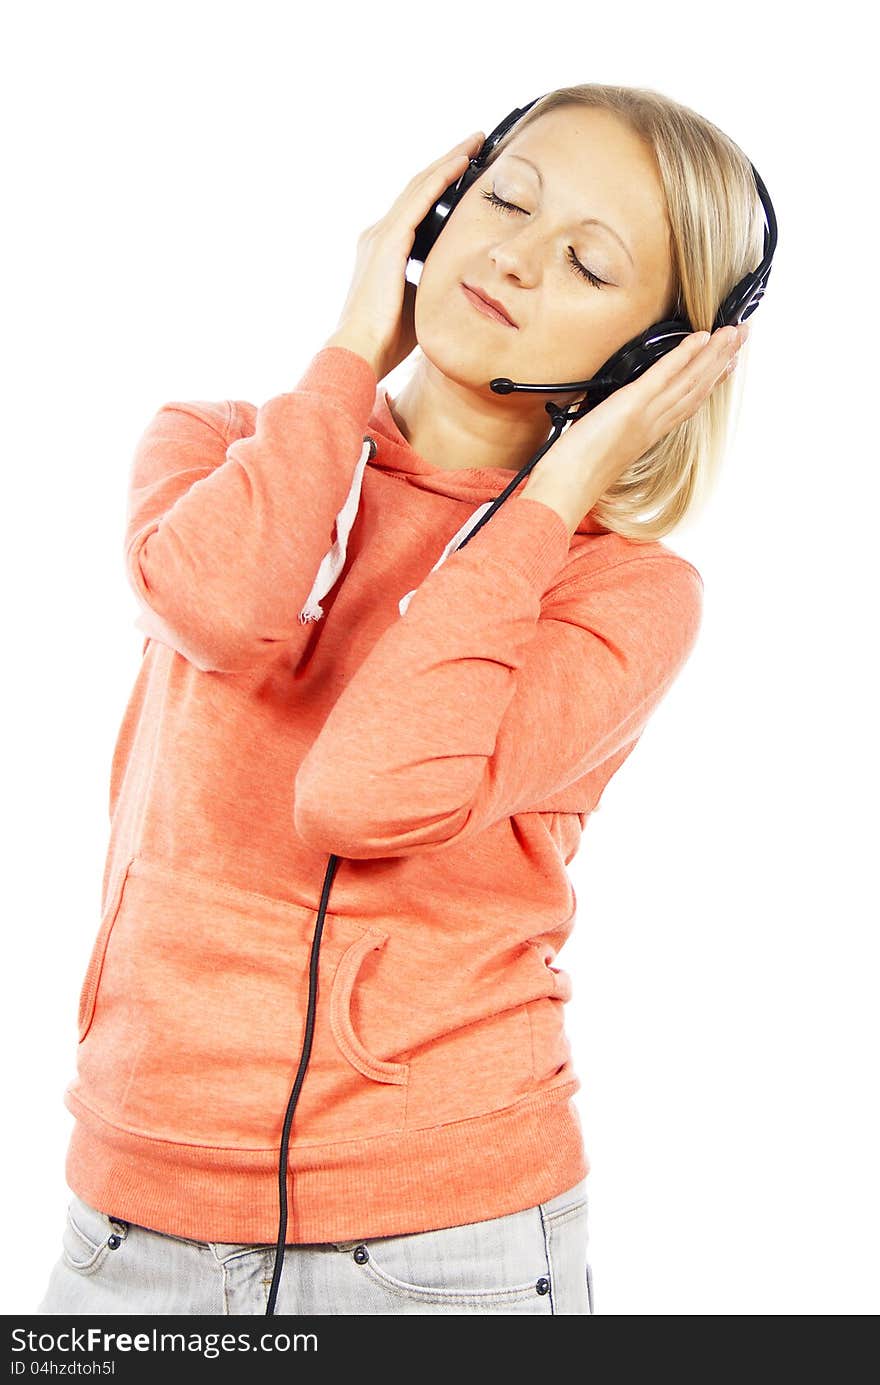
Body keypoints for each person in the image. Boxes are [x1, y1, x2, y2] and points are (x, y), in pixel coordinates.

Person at [36, 82, 760, 1316]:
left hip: (444, 1247)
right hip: (128, 1213)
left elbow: (364, 794)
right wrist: (353, 346)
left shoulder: (622, 592)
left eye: (589, 263)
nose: (516, 257)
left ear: (655, 357)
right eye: (504, 199)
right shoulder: (213, 444)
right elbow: (221, 610)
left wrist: (557, 485)